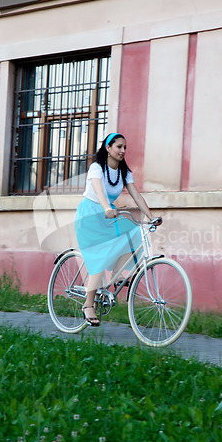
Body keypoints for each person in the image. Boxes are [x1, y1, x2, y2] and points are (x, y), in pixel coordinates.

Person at [75, 132, 162, 326]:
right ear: (108, 148)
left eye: (125, 147)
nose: (123, 151)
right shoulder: (97, 168)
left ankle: (117, 272)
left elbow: (136, 196)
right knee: (101, 255)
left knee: (135, 233)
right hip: (90, 216)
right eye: (119, 147)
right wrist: (106, 207)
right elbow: (98, 190)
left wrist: (151, 217)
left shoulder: (124, 172)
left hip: (109, 214)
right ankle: (88, 305)